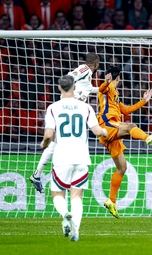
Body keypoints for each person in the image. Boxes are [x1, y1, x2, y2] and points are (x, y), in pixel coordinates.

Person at [41, 75, 107, 241]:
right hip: (81, 158)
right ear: (75, 88)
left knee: (57, 194)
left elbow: (49, 133)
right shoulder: (85, 107)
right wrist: (108, 132)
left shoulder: (53, 108)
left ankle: (65, 214)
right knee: (76, 196)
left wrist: (44, 143)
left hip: (62, 157)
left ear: (59, 88)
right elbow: (98, 131)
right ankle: (75, 230)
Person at [98, 66, 152, 219]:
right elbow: (101, 89)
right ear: (118, 78)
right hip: (107, 125)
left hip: (112, 131)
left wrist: (144, 101)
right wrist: (106, 81)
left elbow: (126, 111)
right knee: (131, 127)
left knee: (122, 167)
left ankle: (111, 201)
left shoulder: (115, 94)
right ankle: (147, 137)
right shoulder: (108, 88)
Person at [29, 52, 100, 194]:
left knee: (55, 142)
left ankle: (37, 175)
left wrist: (103, 89)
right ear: (96, 64)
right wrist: (73, 95)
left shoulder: (87, 75)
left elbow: (86, 88)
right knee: (56, 142)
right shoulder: (84, 69)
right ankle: (38, 175)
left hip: (73, 111)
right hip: (68, 109)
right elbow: (68, 78)